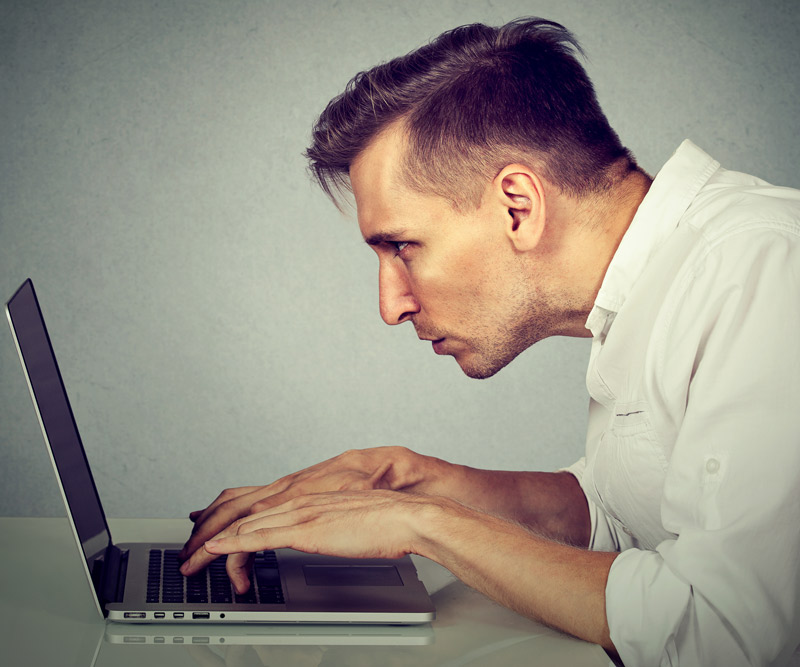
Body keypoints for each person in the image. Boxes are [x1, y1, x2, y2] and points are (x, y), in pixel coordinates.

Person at [178, 17, 800, 666]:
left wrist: (422, 526)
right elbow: (621, 518)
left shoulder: (763, 270)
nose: (390, 305)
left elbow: (720, 633)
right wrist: (409, 480)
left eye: (402, 246)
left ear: (517, 207)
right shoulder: (653, 283)